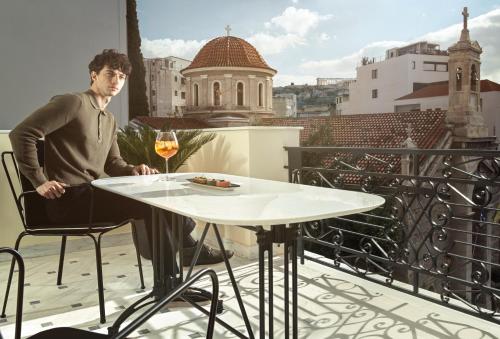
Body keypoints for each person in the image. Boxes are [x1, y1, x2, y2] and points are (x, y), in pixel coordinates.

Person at [8, 49, 232, 273]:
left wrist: (134, 169)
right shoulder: (73, 103)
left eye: (122, 77)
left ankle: (183, 259)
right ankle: (178, 270)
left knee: (159, 193)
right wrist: (39, 181)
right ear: (94, 75)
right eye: (110, 74)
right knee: (150, 202)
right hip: (68, 199)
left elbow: (113, 163)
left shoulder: (110, 120)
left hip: (90, 194)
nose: (116, 80)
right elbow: (21, 134)